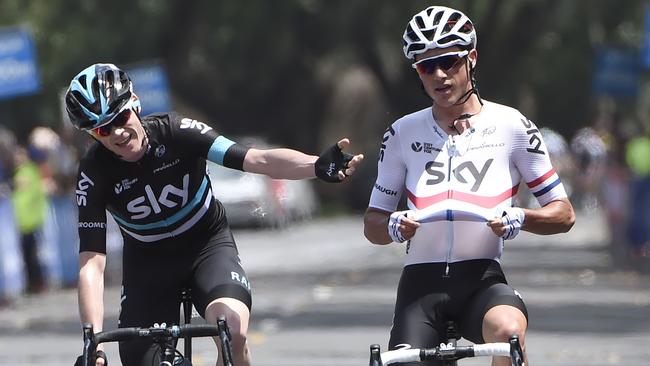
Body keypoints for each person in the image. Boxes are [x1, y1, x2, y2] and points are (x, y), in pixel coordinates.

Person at [66, 63, 363, 366]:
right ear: (92, 134)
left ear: (134, 102)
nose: (117, 132)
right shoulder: (94, 171)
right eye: (103, 129)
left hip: (205, 248)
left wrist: (315, 166)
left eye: (121, 117)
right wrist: (93, 342)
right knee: (141, 359)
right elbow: (92, 263)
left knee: (232, 333)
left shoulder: (177, 132)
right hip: (148, 265)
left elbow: (256, 158)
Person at [363, 6, 575, 366]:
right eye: (426, 66)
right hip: (421, 285)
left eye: (449, 61)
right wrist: (393, 227)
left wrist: (519, 218)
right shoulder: (402, 132)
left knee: (509, 333)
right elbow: (373, 225)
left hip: (481, 279)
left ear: (471, 58)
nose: (440, 74)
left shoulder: (513, 126)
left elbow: (564, 214)